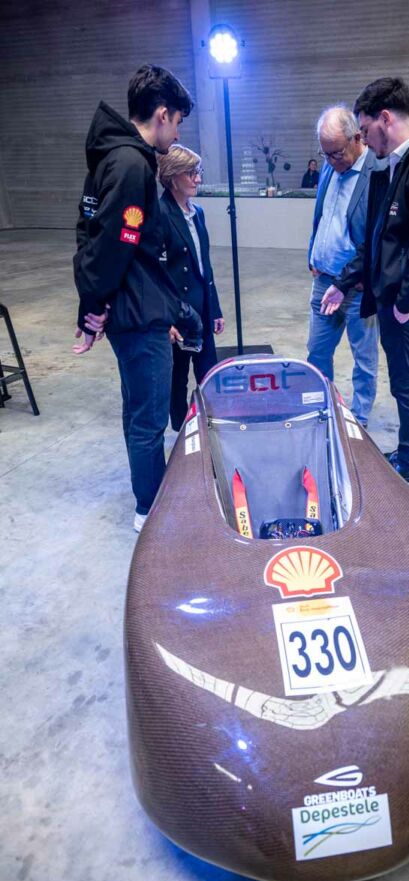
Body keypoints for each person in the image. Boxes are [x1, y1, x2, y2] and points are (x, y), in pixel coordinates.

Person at [73, 64, 193, 532]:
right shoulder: (130, 163)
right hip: (138, 315)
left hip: (132, 309)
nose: (177, 131)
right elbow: (110, 244)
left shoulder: (113, 157)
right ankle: (151, 512)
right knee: (148, 421)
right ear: (161, 114)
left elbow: (92, 232)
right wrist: (93, 309)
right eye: (178, 121)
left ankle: (147, 502)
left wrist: (94, 307)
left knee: (137, 411)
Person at [321, 77, 409, 482]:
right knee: (406, 375)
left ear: (385, 118)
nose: (365, 139)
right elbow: (381, 237)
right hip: (394, 296)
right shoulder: (396, 164)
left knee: (403, 380)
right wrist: (351, 283)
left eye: (365, 130)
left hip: (408, 301)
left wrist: (404, 303)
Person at [307, 107, 383, 427]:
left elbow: (376, 240)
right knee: (316, 354)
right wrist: (313, 252)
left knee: (363, 359)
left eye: (336, 153)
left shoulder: (377, 174)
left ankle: (360, 418)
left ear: (357, 138)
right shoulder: (329, 167)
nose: (331, 161)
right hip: (324, 281)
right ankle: (323, 408)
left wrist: (350, 281)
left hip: (357, 288)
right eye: (325, 154)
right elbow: (322, 215)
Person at [157, 144, 225, 432]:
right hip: (179, 312)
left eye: (198, 172)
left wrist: (215, 309)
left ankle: (210, 424)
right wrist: (167, 318)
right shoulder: (160, 213)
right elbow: (157, 273)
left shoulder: (197, 213)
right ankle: (182, 431)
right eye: (191, 173)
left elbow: (204, 266)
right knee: (177, 377)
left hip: (202, 308)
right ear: (173, 177)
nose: (198, 179)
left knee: (209, 373)